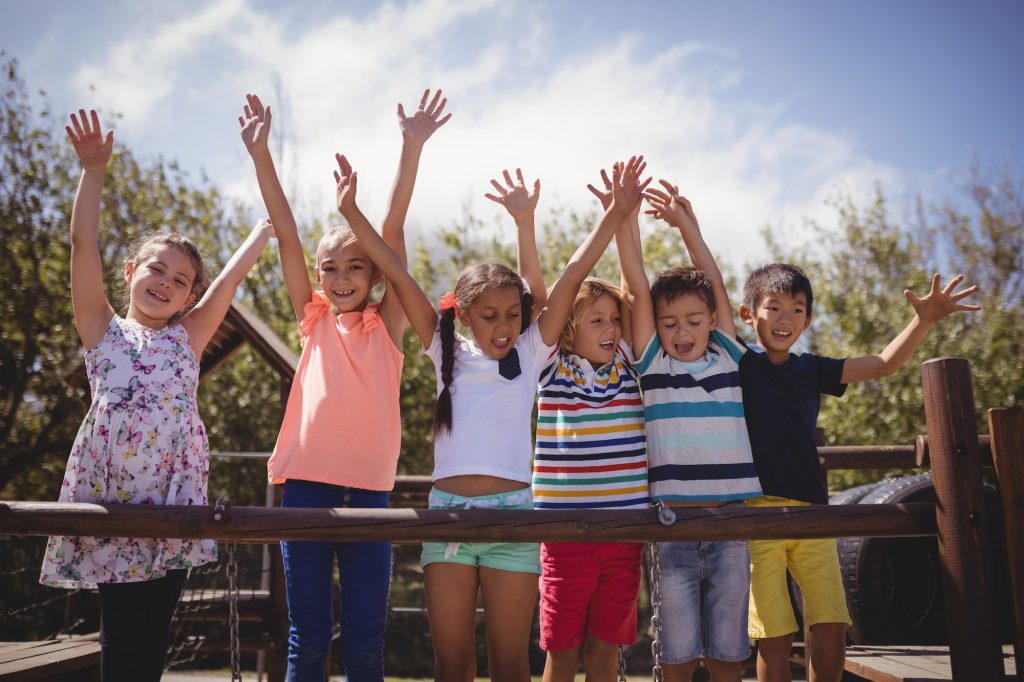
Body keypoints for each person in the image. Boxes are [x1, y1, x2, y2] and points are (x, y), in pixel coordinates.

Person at [330, 153, 649, 682]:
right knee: (452, 665)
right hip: (448, 515)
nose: (503, 327)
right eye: (489, 316)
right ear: (464, 314)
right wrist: (352, 212)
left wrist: (614, 215)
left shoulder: (529, 356)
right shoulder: (441, 346)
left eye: (512, 315)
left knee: (509, 666)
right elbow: (394, 269)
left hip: (514, 517)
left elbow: (572, 274)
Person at [39, 109, 275, 682]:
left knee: (153, 644)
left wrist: (267, 230)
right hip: (116, 506)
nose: (166, 283)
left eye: (181, 280)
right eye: (157, 269)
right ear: (130, 271)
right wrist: (93, 171)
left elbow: (228, 284)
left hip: (174, 504)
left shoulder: (187, 339)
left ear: (188, 296)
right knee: (122, 641)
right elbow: (80, 245)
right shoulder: (103, 329)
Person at [241, 89, 450, 681]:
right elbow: (285, 234)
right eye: (329, 267)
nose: (339, 277)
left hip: (370, 498)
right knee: (307, 635)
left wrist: (410, 148)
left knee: (363, 639)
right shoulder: (312, 322)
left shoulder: (388, 324)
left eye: (356, 266)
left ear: (375, 274)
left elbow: (392, 226)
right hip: (305, 490)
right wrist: (261, 155)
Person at [737, 263, 980, 682]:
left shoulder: (812, 368)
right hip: (759, 512)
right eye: (772, 307)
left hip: (815, 514)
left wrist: (922, 321)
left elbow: (884, 364)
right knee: (773, 634)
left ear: (808, 320)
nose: (784, 319)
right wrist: (687, 226)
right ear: (747, 314)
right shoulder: (740, 362)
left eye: (796, 310)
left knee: (830, 623)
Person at [617, 181, 761, 682]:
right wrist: (624, 217)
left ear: (711, 322)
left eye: (693, 320)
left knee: (727, 654)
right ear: (656, 329)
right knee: (676, 656)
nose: (682, 332)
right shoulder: (654, 365)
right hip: (673, 527)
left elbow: (715, 280)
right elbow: (635, 286)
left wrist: (686, 227)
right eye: (670, 323)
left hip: (731, 526)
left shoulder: (727, 354)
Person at [526, 170, 649, 682]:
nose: (611, 328)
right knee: (563, 652)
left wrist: (628, 217)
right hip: (565, 531)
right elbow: (559, 286)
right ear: (570, 328)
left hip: (624, 531)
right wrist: (608, 216)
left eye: (612, 320)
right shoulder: (551, 364)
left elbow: (635, 289)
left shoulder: (627, 361)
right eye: (597, 320)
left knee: (605, 650)